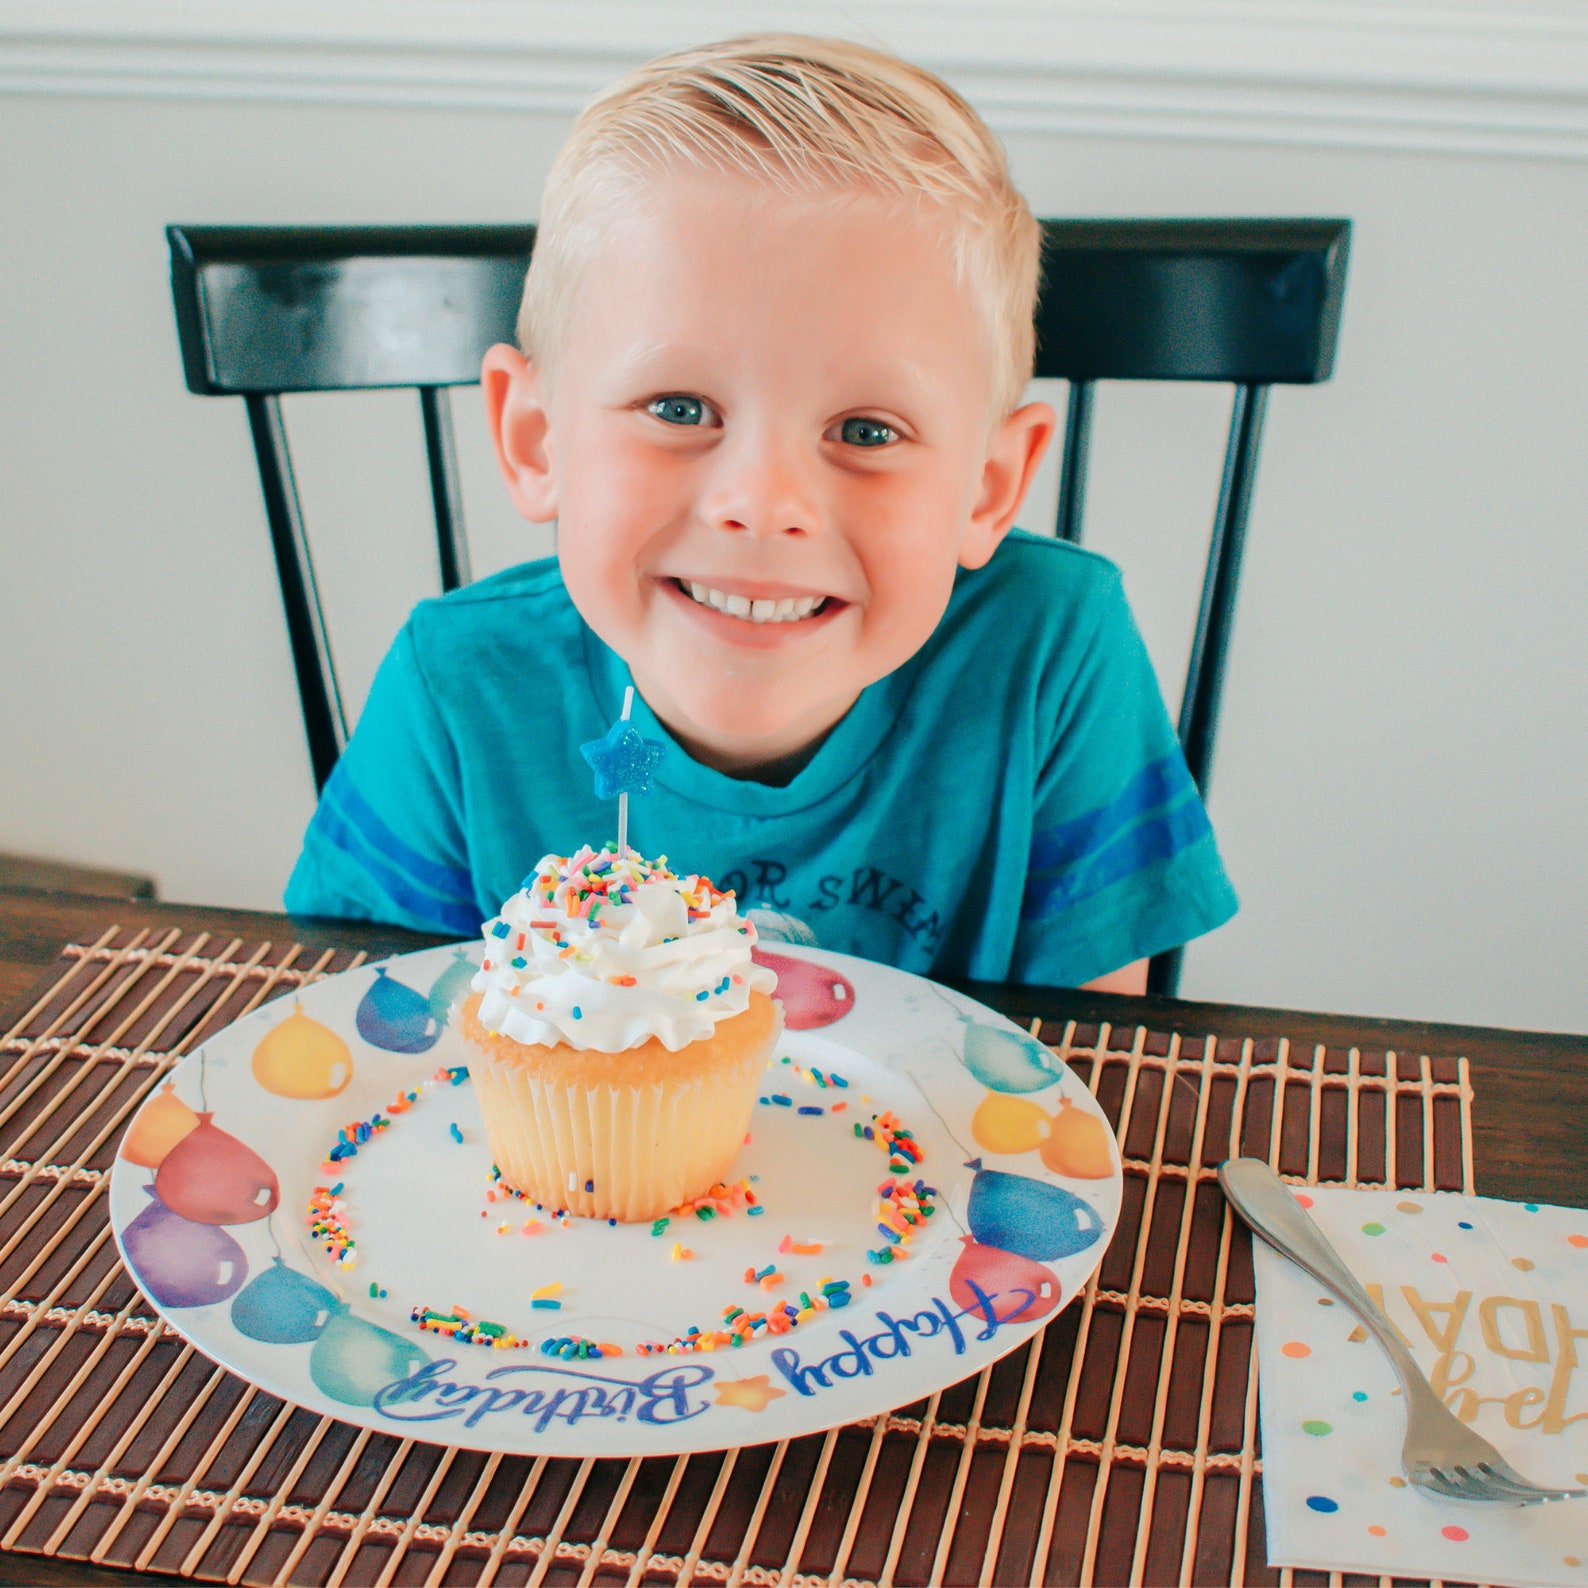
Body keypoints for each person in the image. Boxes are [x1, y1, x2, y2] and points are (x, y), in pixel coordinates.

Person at [285, 33, 1237, 993]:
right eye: (679, 410)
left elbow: (1096, 1081)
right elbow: (371, 1045)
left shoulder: (1053, 653)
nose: (763, 505)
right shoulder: (458, 690)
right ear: (537, 440)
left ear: (988, 487)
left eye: (866, 430)